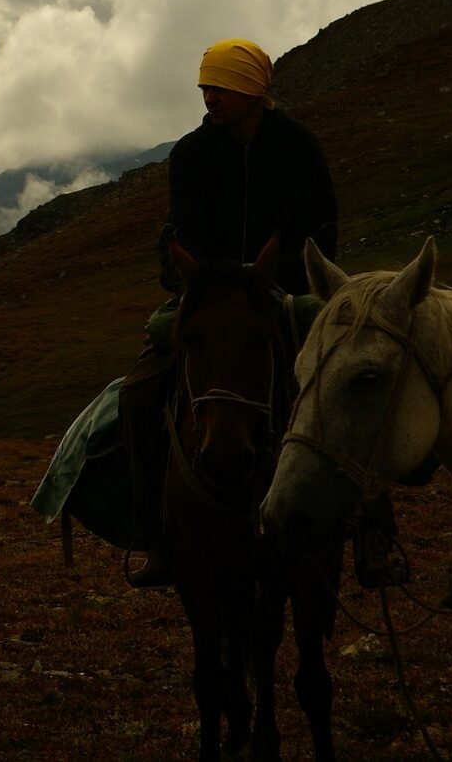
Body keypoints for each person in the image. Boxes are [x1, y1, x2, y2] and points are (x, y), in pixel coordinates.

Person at [121, 38, 338, 588]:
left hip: (283, 291)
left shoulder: (298, 148)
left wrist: (278, 276)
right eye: (205, 87)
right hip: (210, 293)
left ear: (253, 90)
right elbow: (181, 231)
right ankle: (156, 534)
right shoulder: (192, 155)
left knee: (352, 379)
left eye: (220, 86)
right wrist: (197, 278)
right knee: (139, 392)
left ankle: (370, 532)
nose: (209, 97)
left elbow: (322, 230)